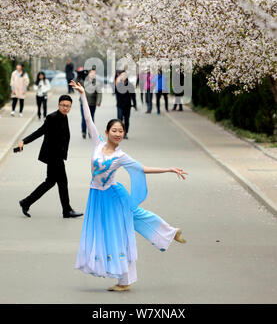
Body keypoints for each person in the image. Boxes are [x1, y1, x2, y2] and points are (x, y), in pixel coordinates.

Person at [70, 80, 187, 292]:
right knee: (131, 220)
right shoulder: (97, 144)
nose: (117, 134)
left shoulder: (121, 156)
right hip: (98, 195)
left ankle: (125, 281)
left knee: (119, 233)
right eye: (114, 130)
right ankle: (169, 232)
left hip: (114, 195)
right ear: (106, 132)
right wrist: (83, 96)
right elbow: (88, 119)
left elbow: (142, 169)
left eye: (121, 131)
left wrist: (168, 169)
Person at [16, 95, 83, 219]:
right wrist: (24, 141)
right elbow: (40, 131)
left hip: (58, 156)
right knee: (62, 182)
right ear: (58, 105)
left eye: (68, 106)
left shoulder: (64, 117)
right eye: (63, 105)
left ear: (70, 107)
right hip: (53, 156)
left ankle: (26, 202)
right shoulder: (52, 118)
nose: (65, 108)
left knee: (50, 182)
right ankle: (67, 210)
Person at [115, 71, 137, 139]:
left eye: (124, 75)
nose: (123, 76)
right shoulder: (118, 85)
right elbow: (115, 93)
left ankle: (125, 133)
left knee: (127, 120)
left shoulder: (130, 85)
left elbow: (133, 96)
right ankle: (119, 133)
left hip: (127, 105)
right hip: (120, 105)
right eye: (122, 75)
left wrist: (135, 105)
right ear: (120, 77)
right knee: (119, 119)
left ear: (127, 77)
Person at [82, 68, 102, 138]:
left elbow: (99, 93)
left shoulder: (97, 83)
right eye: (91, 73)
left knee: (91, 118)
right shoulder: (84, 81)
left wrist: (98, 102)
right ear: (88, 74)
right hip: (83, 103)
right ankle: (83, 131)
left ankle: (91, 132)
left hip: (92, 103)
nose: (93, 74)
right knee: (84, 118)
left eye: (94, 73)